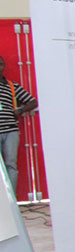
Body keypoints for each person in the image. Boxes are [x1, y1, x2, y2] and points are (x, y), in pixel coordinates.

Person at [0, 55, 38, 193]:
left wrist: (21, 110)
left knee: (11, 164)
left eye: (1, 64)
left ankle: (11, 200)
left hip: (11, 130)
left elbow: (33, 102)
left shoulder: (12, 86)